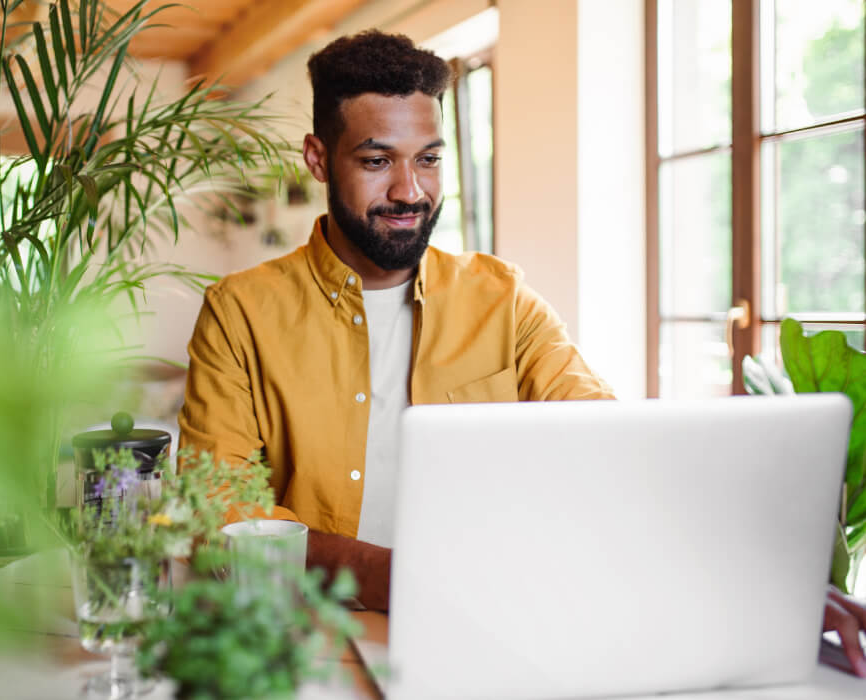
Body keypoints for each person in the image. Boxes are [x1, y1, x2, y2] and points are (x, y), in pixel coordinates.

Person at [179, 30, 866, 675]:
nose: (408, 192)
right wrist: (398, 575)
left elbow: (610, 448)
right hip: (315, 641)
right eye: (375, 160)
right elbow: (221, 516)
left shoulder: (501, 300)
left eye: (427, 159)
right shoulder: (240, 311)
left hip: (499, 631)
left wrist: (760, 581)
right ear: (318, 158)